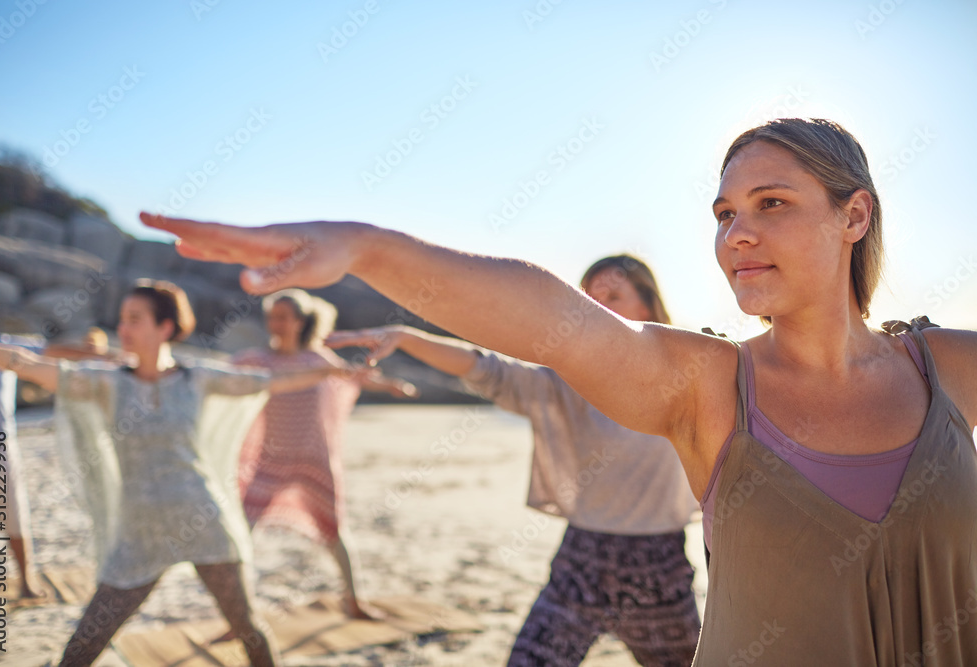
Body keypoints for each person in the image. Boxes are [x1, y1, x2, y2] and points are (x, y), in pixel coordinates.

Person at [141, 118, 977, 665]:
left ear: (854, 216)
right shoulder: (709, 384)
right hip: (585, 554)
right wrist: (368, 248)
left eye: (771, 203)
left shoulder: (948, 368)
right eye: (723, 212)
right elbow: (544, 320)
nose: (737, 233)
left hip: (654, 568)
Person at [326, 254, 700, 665]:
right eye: (590, 301)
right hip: (582, 558)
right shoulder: (564, 383)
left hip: (658, 566)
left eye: (614, 296)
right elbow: (488, 370)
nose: (601, 310)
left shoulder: (687, 378)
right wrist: (407, 337)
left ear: (647, 305)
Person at [0, 280, 357, 666]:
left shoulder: (197, 377)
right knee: (80, 650)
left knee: (247, 627)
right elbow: (24, 363)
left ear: (166, 327)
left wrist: (338, 372)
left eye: (134, 319)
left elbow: (271, 382)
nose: (123, 329)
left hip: (204, 520)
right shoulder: (104, 381)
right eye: (122, 319)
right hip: (139, 536)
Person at [232, 288, 416, 620]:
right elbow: (219, 374)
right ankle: (241, 615)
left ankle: (353, 602)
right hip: (269, 460)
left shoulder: (318, 359)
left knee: (334, 530)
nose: (276, 323)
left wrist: (389, 386)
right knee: (241, 534)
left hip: (313, 459)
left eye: (284, 317)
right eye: (272, 316)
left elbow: (354, 376)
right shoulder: (257, 360)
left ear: (300, 321)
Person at [0, 300, 44, 599]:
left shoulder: (5, 351)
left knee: (13, 519)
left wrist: (93, 351)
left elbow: (49, 352)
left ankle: (27, 581)